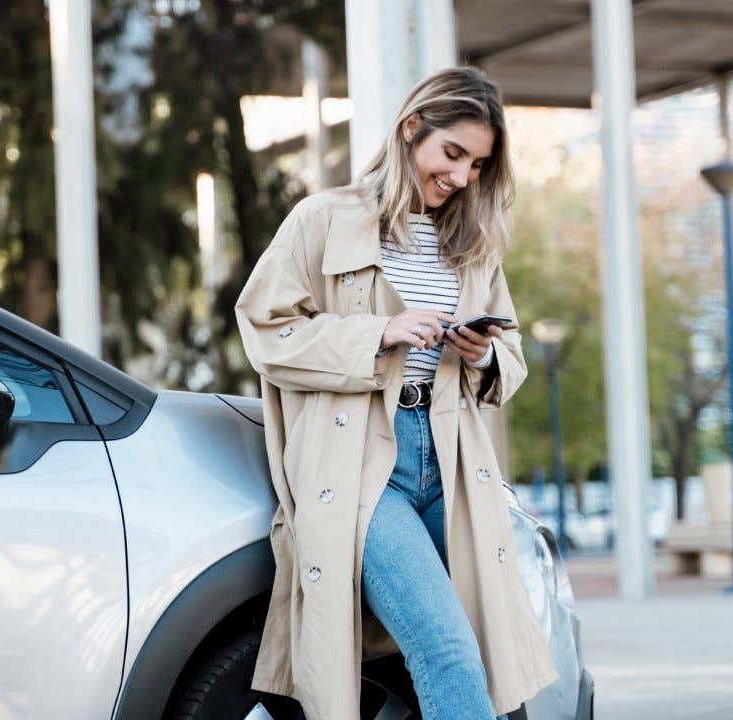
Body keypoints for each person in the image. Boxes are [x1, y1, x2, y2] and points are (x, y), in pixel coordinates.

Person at [235, 66, 556, 720]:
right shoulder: (324, 219)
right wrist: (381, 331)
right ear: (412, 129)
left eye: (477, 164)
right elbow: (266, 329)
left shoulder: (472, 244)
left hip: (452, 459)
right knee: (449, 653)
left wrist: (484, 353)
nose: (463, 176)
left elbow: (511, 355)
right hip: (360, 465)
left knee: (495, 660)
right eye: (453, 153)